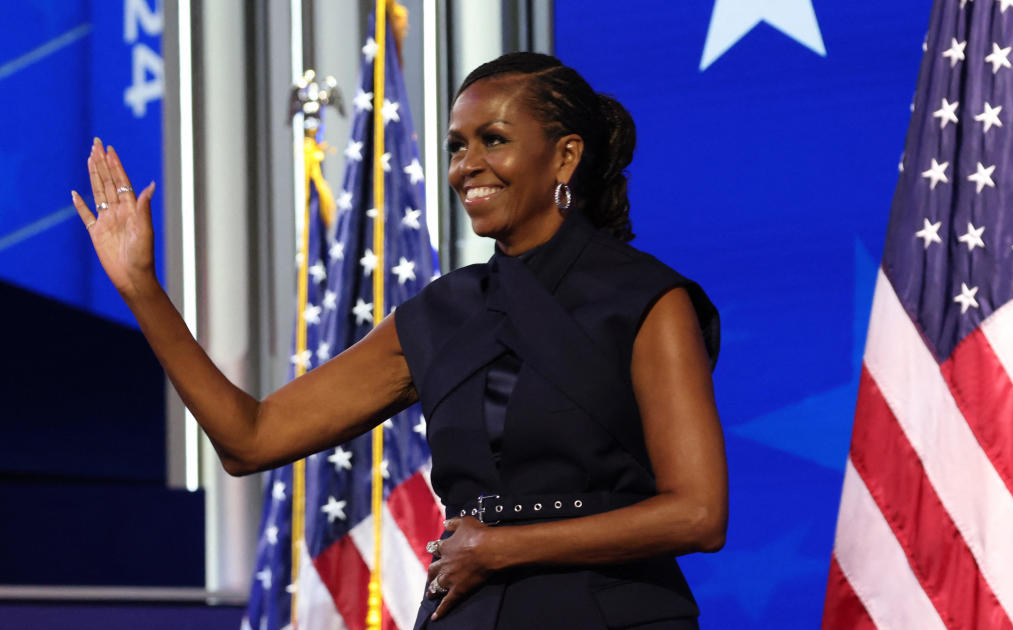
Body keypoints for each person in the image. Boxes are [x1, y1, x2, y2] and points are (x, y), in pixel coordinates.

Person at [72, 52, 727, 629]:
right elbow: (250, 438)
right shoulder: (440, 313)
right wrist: (141, 289)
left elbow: (698, 514)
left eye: (492, 140)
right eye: (455, 146)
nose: (467, 166)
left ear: (565, 155)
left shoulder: (647, 301)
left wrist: (503, 548)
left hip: (614, 614)